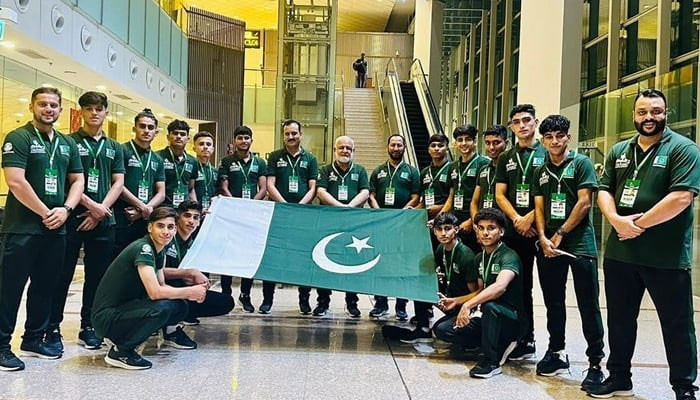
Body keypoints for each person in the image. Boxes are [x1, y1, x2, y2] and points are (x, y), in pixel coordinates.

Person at [589, 89, 700, 400]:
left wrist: (636, 225)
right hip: (621, 254)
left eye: (655, 111)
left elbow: (681, 198)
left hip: (665, 257)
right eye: (642, 112)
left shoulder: (683, 149)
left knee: (677, 325)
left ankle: (684, 388)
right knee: (620, 320)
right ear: (633, 115)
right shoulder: (620, 150)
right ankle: (619, 377)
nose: (649, 117)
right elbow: (604, 189)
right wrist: (616, 220)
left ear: (666, 113)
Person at [0, 87, 84, 371]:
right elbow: (15, 181)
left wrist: (66, 209)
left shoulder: (66, 143)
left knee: (45, 287)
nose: (48, 109)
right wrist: (47, 212)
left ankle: (34, 339)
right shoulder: (18, 137)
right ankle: (1, 346)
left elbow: (78, 180)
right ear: (32, 107)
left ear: (61, 109)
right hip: (22, 229)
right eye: (43, 104)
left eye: (53, 105)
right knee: (9, 289)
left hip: (55, 230)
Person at [47, 92, 126, 352]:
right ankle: (52, 327)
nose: (94, 113)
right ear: (80, 112)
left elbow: (118, 183)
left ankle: (89, 326)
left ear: (106, 113)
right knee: (62, 275)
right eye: (89, 108)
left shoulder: (115, 147)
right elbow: (69, 180)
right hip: (73, 219)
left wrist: (101, 211)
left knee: (97, 278)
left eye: (99, 109)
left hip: (104, 222)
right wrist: (92, 207)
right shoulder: (68, 142)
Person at [532, 115, 604, 390]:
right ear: (543, 141)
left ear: (568, 138)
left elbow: (585, 203)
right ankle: (556, 351)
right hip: (549, 244)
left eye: (559, 136)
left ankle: (595, 362)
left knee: (588, 304)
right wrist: (542, 237)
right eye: (549, 137)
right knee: (553, 302)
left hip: (578, 244)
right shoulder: (540, 170)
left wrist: (560, 234)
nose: (554, 141)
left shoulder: (581, 164)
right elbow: (539, 207)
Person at [92, 207, 208, 370]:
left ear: (175, 229)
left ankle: (124, 337)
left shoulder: (159, 249)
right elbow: (155, 293)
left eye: (170, 227)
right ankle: (121, 351)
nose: (166, 231)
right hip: (106, 317)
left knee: (178, 306)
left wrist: (186, 295)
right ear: (150, 227)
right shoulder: (143, 248)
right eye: (160, 226)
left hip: (123, 309)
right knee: (161, 308)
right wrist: (189, 292)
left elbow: (161, 285)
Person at [437, 208, 523, 379]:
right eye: (481, 228)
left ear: (501, 231)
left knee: (491, 306)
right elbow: (481, 290)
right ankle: (489, 343)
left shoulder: (509, 256)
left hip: (509, 317)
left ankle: (492, 361)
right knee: (443, 329)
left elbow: (500, 287)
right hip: (486, 316)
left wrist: (468, 305)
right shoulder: (480, 258)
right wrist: (457, 301)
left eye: (491, 228)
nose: (485, 233)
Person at [495, 103, 547, 360]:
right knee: (520, 288)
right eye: (516, 122)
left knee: (551, 292)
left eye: (527, 120)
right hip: (516, 232)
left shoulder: (548, 151)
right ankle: (525, 338)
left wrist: (531, 218)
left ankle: (556, 348)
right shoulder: (506, 157)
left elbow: (551, 192)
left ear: (535, 122)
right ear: (511, 127)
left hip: (543, 232)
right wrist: (517, 219)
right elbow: (500, 194)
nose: (522, 125)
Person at [383, 213, 480, 344]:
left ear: (456, 230)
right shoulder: (441, 249)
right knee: (421, 281)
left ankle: (474, 340)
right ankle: (422, 328)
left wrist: (456, 302)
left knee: (441, 330)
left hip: (465, 305)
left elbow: (477, 293)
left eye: (448, 229)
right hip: (449, 298)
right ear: (434, 231)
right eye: (439, 229)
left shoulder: (465, 256)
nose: (443, 233)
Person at [162, 200, 234, 345]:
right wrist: (187, 273)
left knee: (227, 302)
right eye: (187, 216)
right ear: (178, 218)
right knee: (176, 283)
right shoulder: (167, 237)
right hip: (163, 289)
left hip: (184, 290)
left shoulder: (195, 243)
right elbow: (157, 271)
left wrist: (197, 283)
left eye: (196, 217)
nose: (191, 221)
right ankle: (170, 329)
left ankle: (182, 314)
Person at [266, 120, 319, 315]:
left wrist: (299, 206)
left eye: (294, 133)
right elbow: (270, 185)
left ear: (301, 135)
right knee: (273, 255)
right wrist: (285, 206)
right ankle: (267, 299)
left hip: (303, 215)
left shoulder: (310, 159)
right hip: (279, 213)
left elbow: (313, 187)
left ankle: (304, 299)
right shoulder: (274, 156)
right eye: (287, 134)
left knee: (304, 257)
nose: (291, 137)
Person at [218, 126, 271, 313]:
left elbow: (263, 188)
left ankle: (245, 294)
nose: (243, 141)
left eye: (246, 138)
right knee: (228, 254)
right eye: (240, 138)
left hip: (251, 214)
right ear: (234, 141)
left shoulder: (260, 162)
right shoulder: (226, 161)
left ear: (251, 140)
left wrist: (250, 206)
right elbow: (224, 187)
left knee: (248, 256)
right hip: (232, 214)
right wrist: (236, 205)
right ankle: (225, 294)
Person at [316, 136, 370, 318]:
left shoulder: (360, 170)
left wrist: (349, 207)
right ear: (335, 150)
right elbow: (320, 191)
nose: (345, 151)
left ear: (353, 151)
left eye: (348, 148)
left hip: (354, 223)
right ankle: (323, 302)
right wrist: (340, 207)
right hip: (329, 222)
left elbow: (365, 191)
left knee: (352, 261)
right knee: (324, 261)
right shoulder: (325, 170)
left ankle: (352, 302)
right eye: (341, 148)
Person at [367, 134, 420, 320]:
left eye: (399, 145)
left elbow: (416, 197)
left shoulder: (412, 172)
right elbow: (371, 195)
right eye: (393, 145)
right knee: (380, 263)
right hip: (382, 224)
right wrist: (380, 212)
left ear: (405, 147)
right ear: (387, 147)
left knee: (401, 265)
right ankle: (380, 304)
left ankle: (401, 306)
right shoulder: (378, 171)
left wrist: (401, 213)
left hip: (403, 224)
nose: (396, 148)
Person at [113, 109, 166, 256]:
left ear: (156, 132)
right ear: (134, 128)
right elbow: (117, 184)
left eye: (150, 127)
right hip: (123, 215)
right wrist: (142, 207)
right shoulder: (122, 150)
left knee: (142, 259)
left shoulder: (157, 159)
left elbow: (161, 193)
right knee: (119, 258)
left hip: (145, 218)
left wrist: (146, 209)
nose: (146, 131)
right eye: (142, 126)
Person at [441, 125, 490, 253]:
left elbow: (485, 197)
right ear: (455, 143)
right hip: (455, 221)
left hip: (474, 222)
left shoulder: (484, 163)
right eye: (460, 140)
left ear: (475, 141)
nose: (463, 143)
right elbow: (451, 197)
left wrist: (471, 221)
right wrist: (439, 217)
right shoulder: (452, 166)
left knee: (474, 258)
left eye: (468, 139)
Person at [470, 124, 508, 218]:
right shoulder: (483, 170)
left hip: (503, 223)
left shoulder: (511, 169)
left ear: (506, 143)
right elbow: (474, 202)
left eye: (496, 143)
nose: (491, 147)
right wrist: (475, 221)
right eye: (487, 143)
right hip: (482, 223)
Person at [158, 120, 198, 208]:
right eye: (175, 133)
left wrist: (195, 208)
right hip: (163, 209)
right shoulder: (157, 157)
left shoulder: (193, 161)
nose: (179, 136)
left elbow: (191, 189)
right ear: (168, 137)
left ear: (188, 139)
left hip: (184, 210)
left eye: (182, 134)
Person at [192, 131, 217, 210]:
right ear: (194, 148)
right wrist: (197, 209)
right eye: (201, 144)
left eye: (208, 144)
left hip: (211, 211)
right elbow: (189, 190)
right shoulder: (190, 168)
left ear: (212, 149)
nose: (205, 147)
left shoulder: (215, 171)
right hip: (195, 211)